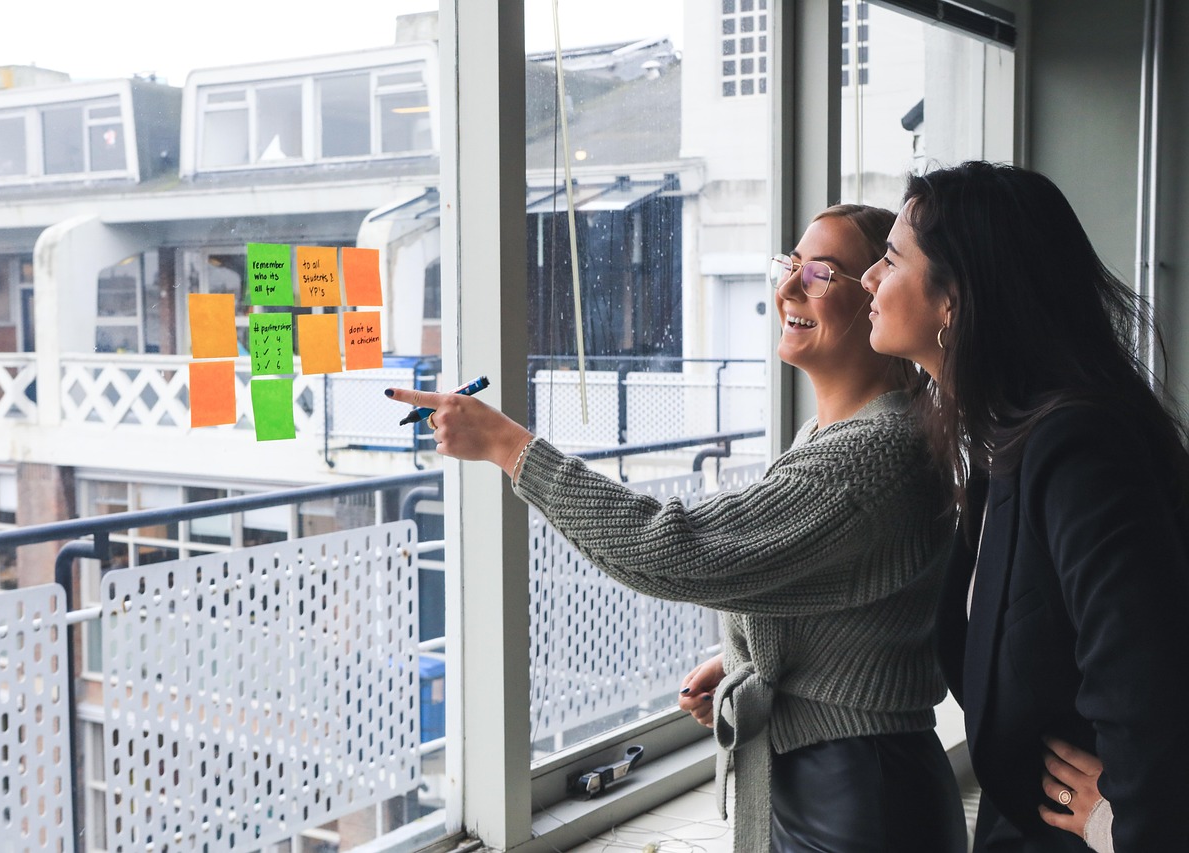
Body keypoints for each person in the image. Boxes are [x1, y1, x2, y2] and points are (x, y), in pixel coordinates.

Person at [387, 204, 967, 852]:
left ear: (876, 294)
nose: (787, 288)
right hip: (843, 779)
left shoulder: (873, 455)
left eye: (821, 273)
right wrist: (752, 658)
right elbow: (858, 603)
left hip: (862, 804)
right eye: (790, 265)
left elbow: (673, 548)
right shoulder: (853, 432)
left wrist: (511, 447)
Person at [859, 160, 1189, 852]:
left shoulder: (1077, 448)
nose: (869, 278)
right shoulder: (1002, 442)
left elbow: (1150, 687)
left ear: (954, 297)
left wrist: (1121, 822)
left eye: (889, 260)